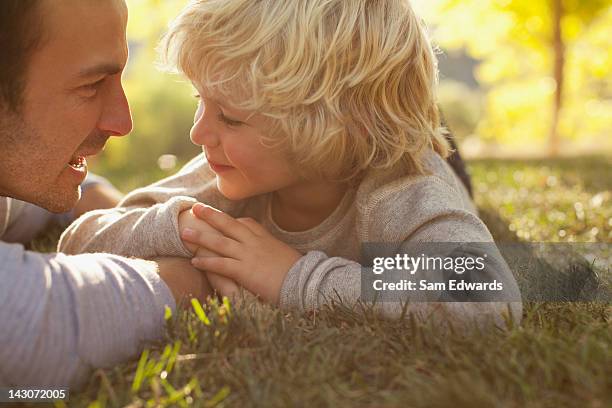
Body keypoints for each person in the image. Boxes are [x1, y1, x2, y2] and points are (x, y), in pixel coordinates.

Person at [59, 0, 521, 328]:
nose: (198, 134)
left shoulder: (401, 193)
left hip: (407, 144)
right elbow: (79, 241)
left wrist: (294, 277)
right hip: (364, 124)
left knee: (428, 145)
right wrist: (181, 227)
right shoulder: (226, 177)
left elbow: (485, 303)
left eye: (231, 117)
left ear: (337, 126)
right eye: (202, 101)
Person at [0, 0, 212, 388]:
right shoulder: (215, 191)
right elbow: (36, 326)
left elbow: (25, 202)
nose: (123, 122)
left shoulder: (363, 201)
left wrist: (128, 221)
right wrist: (203, 275)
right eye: (91, 85)